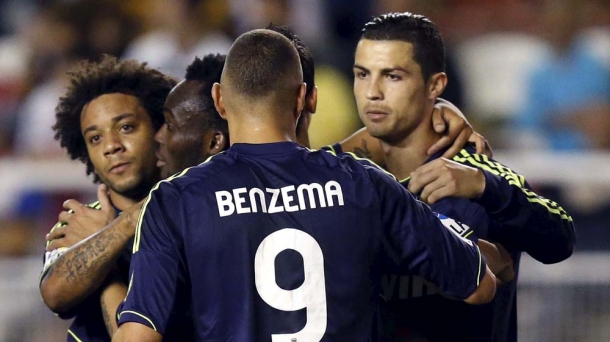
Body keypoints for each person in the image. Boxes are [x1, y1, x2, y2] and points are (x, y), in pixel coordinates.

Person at [112, 29, 496, 342]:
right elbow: (480, 286)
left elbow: (138, 336)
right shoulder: (363, 183)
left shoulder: (175, 200)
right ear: (306, 98)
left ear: (220, 100)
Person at [348, 12, 576, 342]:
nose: (372, 92)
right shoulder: (341, 175)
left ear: (435, 85)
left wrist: (486, 188)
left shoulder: (477, 174)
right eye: (362, 74)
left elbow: (560, 240)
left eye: (392, 76)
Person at [38, 55, 178, 341]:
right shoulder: (76, 222)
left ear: (159, 130)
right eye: (95, 138)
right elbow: (54, 294)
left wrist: (103, 237)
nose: (112, 146)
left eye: (126, 127)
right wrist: (121, 226)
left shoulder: (189, 211)